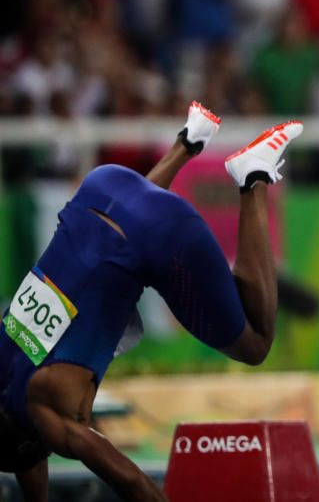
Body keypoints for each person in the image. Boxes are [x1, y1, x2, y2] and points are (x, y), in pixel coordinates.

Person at [0, 102, 303, 501]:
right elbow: (27, 462)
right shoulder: (9, 379)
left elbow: (130, 481)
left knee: (256, 342)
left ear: (30, 443)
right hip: (104, 188)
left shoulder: (53, 416)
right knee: (124, 228)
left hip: (161, 232)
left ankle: (254, 176)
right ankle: (188, 141)